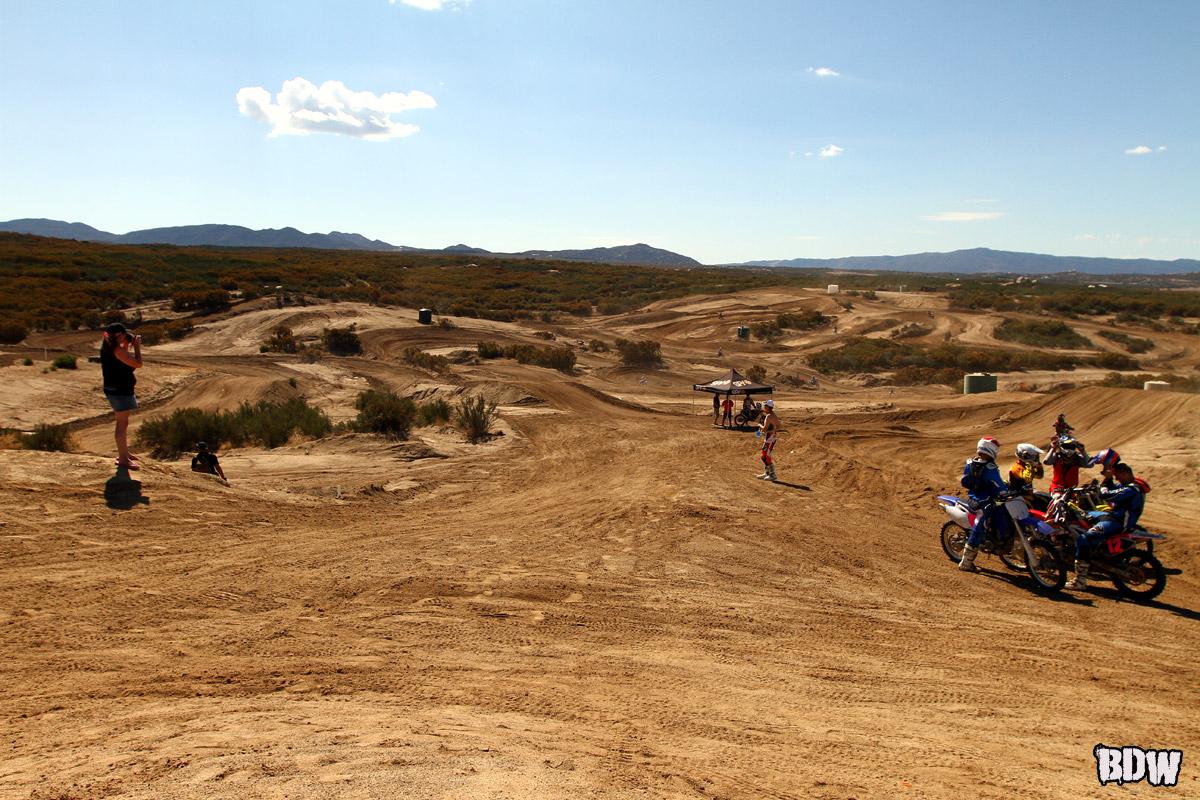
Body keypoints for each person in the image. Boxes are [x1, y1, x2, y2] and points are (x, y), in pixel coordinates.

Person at [1068, 462, 1145, 590]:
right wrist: (1107, 480)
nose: (1117, 479)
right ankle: (1095, 549)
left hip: (1117, 522)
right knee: (1082, 513)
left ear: (1125, 474)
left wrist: (1106, 481)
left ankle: (1080, 580)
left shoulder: (1131, 490)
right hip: (1112, 516)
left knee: (1083, 539)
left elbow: (1106, 495)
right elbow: (1114, 488)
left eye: (1117, 476)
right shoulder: (1129, 486)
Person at [958, 436, 1008, 572]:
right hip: (982, 501)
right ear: (991, 450)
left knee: (1001, 510)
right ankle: (966, 562)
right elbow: (999, 485)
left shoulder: (970, 463)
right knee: (982, 521)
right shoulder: (990, 468)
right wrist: (1004, 491)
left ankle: (998, 539)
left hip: (976, 497)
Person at [100, 322, 143, 470]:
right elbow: (137, 364)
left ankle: (124, 453)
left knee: (123, 423)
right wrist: (137, 347)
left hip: (116, 388)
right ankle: (123, 459)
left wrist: (127, 343)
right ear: (121, 335)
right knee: (122, 424)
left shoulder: (108, 346)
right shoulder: (117, 350)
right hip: (120, 390)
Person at [756, 399, 780, 481]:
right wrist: (773, 430)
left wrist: (759, 425)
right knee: (763, 456)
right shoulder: (773, 415)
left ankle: (772, 475)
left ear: (767, 407)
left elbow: (764, 429)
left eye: (765, 406)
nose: (764, 407)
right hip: (770, 437)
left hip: (770, 438)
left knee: (766, 456)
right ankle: (767, 472)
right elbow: (779, 426)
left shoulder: (769, 416)